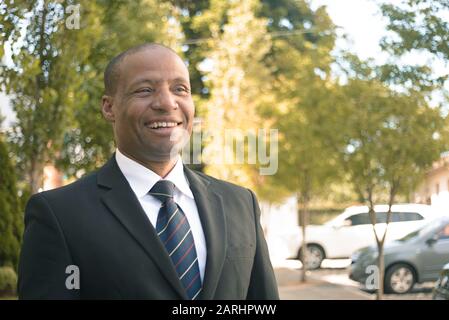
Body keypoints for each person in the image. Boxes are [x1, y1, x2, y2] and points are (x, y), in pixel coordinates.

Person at [17, 43, 279, 300]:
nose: (167, 103)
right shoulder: (59, 215)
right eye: (144, 90)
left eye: (180, 89)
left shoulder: (241, 203)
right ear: (109, 108)